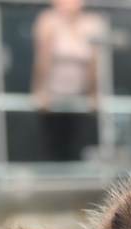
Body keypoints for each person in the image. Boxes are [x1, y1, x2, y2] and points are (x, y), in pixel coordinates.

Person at [31, 0, 106, 162]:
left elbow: (94, 63)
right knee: (52, 149)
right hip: (53, 99)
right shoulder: (48, 21)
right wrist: (41, 90)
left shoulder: (92, 23)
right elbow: (42, 60)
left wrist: (93, 93)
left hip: (79, 99)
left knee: (76, 150)